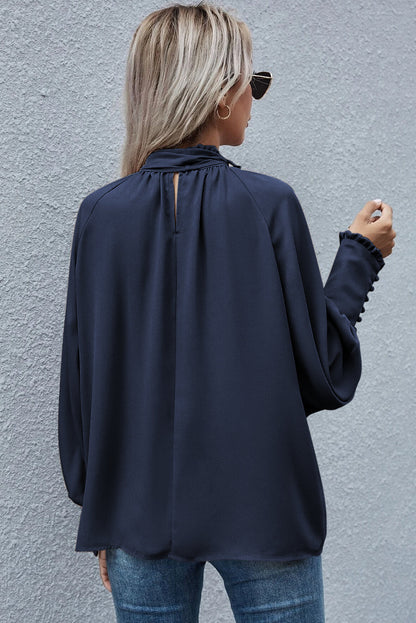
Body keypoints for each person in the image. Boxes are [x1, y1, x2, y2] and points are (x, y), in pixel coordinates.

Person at [58, 3, 396, 622]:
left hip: (133, 508)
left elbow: (82, 379)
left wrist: (98, 506)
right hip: (262, 503)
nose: (252, 99)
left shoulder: (101, 215)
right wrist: (361, 256)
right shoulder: (267, 203)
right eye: (252, 82)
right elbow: (321, 367)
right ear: (219, 94)